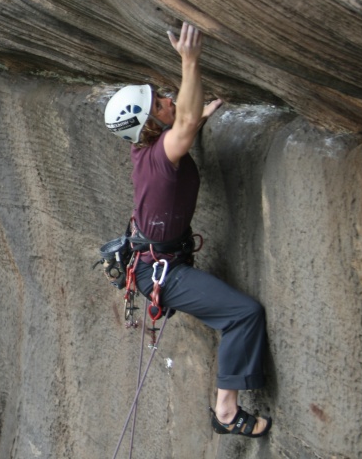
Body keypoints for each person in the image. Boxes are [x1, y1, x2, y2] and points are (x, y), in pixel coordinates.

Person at [103, 22, 272, 438]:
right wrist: (190, 62)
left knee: (239, 313)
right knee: (243, 315)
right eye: (160, 102)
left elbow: (183, 127)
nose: (168, 99)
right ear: (151, 126)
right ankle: (227, 413)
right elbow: (182, 128)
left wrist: (193, 120)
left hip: (157, 260)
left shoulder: (147, 148)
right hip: (161, 271)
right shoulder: (159, 157)